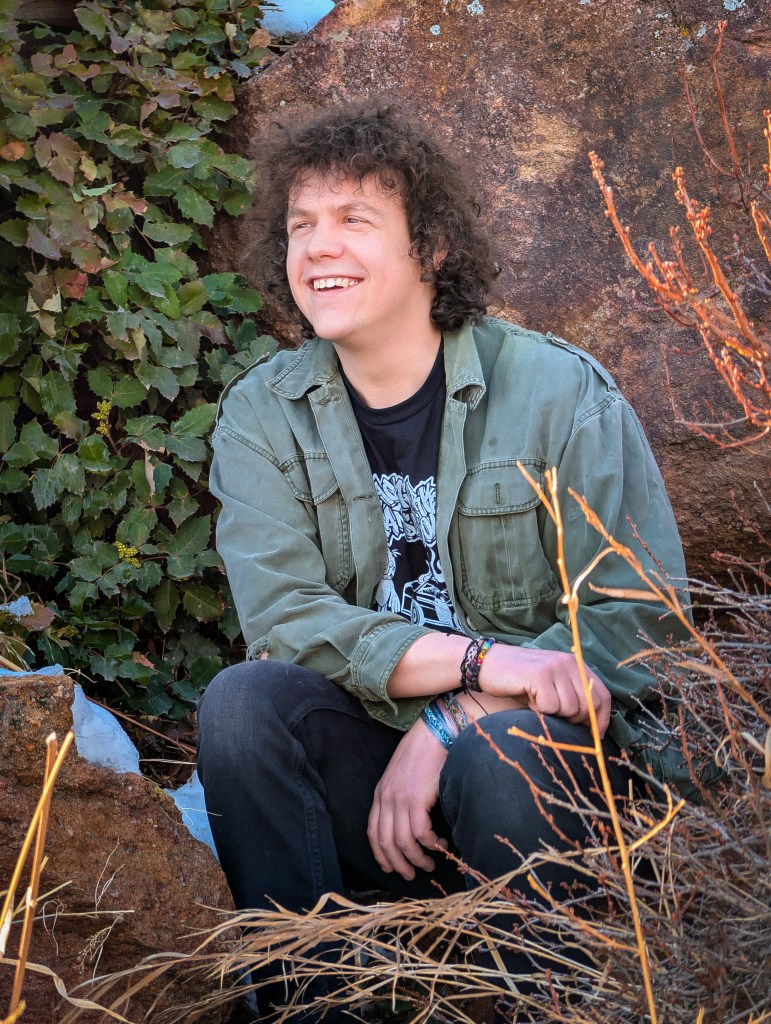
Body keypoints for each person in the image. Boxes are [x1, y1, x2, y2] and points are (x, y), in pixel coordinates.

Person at [197, 104, 694, 1020]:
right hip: (372, 787)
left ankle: (545, 1002)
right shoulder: (265, 414)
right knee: (242, 704)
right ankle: (313, 1001)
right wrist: (481, 663)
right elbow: (286, 621)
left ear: (428, 247)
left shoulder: (556, 392)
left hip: (548, 790)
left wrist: (451, 718)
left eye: (354, 219)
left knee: (502, 749)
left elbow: (636, 620)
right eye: (301, 225)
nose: (318, 246)